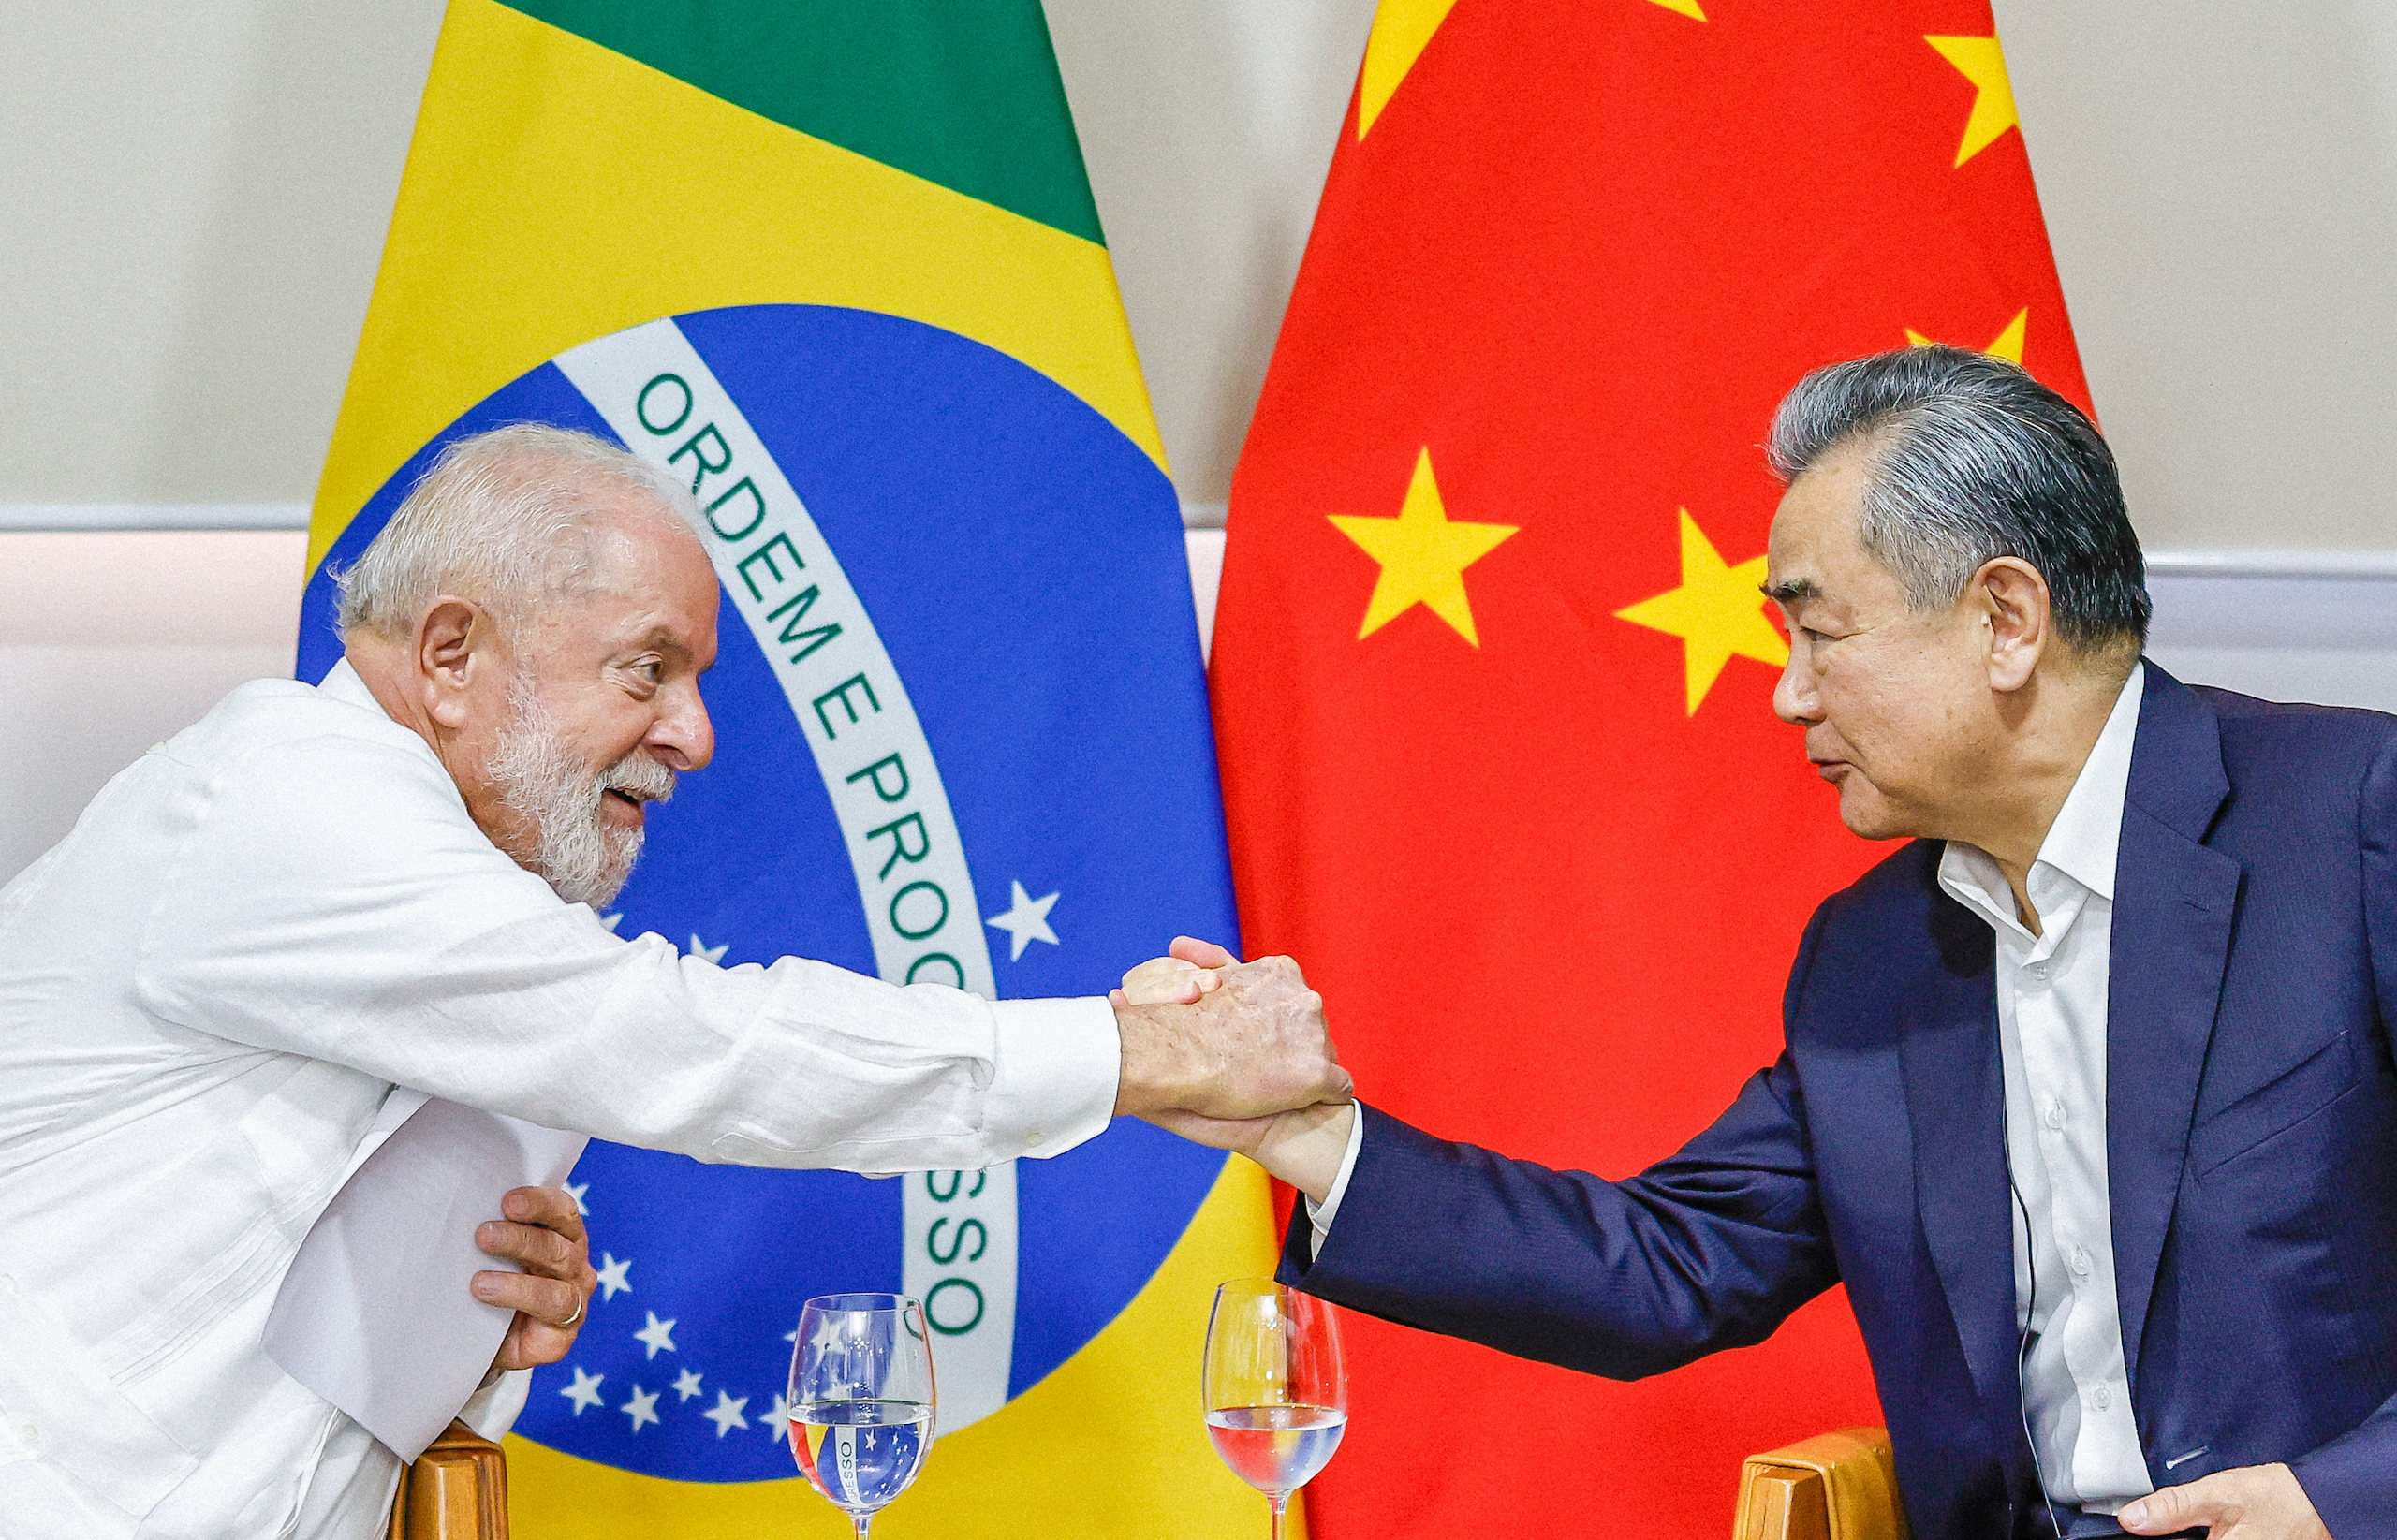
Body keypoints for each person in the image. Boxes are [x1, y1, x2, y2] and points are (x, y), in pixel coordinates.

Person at [0, 424, 1348, 1539]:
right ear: (453, 654)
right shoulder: (285, 797)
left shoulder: (459, 903)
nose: (696, 737)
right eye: (650, 668)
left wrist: (474, 1343)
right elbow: (687, 1042)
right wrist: (1140, 1053)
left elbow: (318, 1396)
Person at [1133, 347, 2393, 1540]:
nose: (1788, 691)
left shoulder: (2353, 820)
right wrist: (1306, 1129)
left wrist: (2345, 1496)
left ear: (2005, 617)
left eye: (1819, 630)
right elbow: (1668, 1267)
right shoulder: (1876, 954)